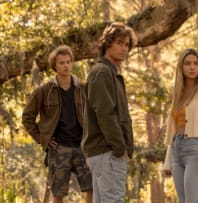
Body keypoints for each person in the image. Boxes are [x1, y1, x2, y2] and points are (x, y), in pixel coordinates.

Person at [22, 45, 93, 203]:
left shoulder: (82, 88)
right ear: (55, 65)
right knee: (58, 193)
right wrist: (42, 139)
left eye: (68, 62)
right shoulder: (44, 91)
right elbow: (27, 117)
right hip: (58, 148)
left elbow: (94, 114)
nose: (66, 65)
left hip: (82, 146)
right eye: (61, 63)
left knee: (92, 187)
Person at [81, 22, 137, 203]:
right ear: (108, 43)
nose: (124, 48)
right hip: (107, 151)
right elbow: (105, 114)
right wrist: (120, 148)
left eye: (127, 45)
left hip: (107, 152)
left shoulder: (111, 73)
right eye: (119, 43)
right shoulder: (102, 72)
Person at [162, 48, 198, 203]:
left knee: (193, 200)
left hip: (196, 150)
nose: (192, 67)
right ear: (181, 67)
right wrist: (167, 161)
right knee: (183, 200)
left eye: (196, 63)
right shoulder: (177, 95)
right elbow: (173, 132)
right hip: (177, 150)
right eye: (187, 63)